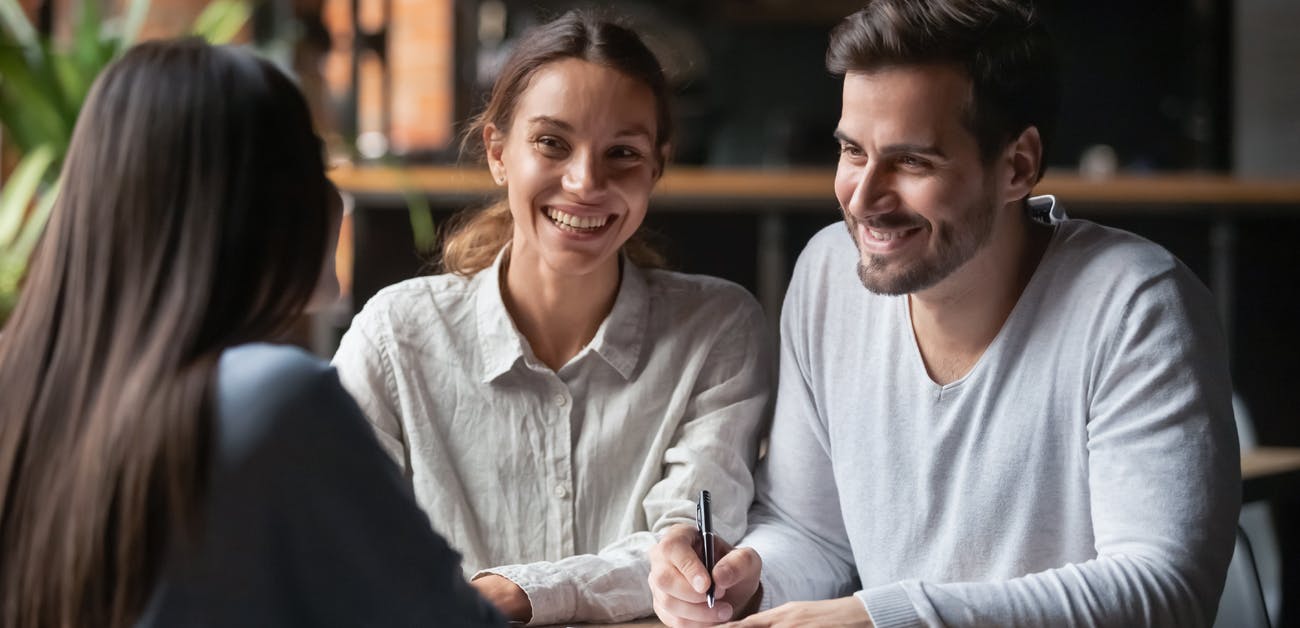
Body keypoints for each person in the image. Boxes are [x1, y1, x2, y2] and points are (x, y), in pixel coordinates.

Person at [647, 1, 1239, 626]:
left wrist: (881, 618)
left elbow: (1164, 591)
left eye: (911, 161)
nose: (865, 197)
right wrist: (750, 578)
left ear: (1017, 166)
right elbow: (810, 531)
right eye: (852, 152)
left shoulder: (1136, 305)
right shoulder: (828, 274)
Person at [0, 39, 502, 628]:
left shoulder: (24, 389)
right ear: (254, 204)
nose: (335, 198)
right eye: (315, 168)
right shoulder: (275, 399)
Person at [331, 10, 772, 626]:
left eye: (622, 152)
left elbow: (687, 557)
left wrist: (519, 593)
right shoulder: (394, 337)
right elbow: (341, 548)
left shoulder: (717, 328)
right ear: (497, 152)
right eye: (551, 143)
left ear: (656, 168)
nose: (586, 181)